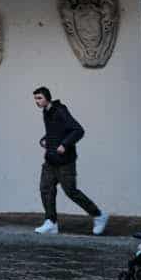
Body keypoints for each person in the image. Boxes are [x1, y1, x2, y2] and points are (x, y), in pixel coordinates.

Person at [32, 87, 110, 236]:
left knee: (71, 192)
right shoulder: (46, 112)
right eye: (35, 99)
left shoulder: (60, 110)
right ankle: (51, 222)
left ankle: (99, 215)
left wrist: (64, 145)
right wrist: (45, 139)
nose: (37, 101)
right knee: (46, 188)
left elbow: (78, 130)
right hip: (50, 160)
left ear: (47, 98)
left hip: (65, 161)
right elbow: (56, 131)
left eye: (39, 98)